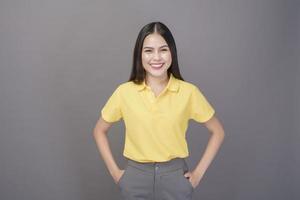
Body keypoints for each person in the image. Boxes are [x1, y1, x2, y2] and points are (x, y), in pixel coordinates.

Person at [93, 21, 225, 200]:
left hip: (175, 179)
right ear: (139, 55)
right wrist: (116, 173)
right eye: (148, 50)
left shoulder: (188, 92)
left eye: (163, 49)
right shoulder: (124, 92)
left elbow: (218, 131)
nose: (156, 57)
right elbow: (99, 130)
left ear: (172, 52)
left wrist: (198, 174)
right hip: (135, 179)